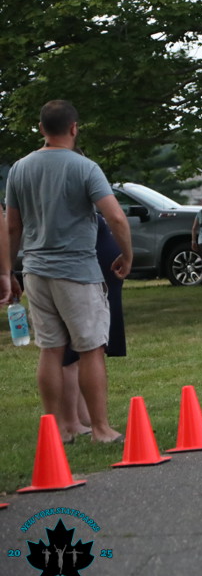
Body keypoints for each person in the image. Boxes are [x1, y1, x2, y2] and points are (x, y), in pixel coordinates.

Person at [5, 100, 131, 443]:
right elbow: (116, 217)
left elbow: (12, 226)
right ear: (74, 128)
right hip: (77, 270)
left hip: (35, 271)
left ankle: (56, 428)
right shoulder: (85, 167)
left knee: (50, 350)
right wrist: (127, 255)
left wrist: (8, 271)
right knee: (91, 349)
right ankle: (100, 428)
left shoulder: (19, 169)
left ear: (41, 128)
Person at [60, 213, 127, 442]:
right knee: (72, 350)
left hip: (95, 274)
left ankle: (83, 416)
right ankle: (71, 421)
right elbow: (116, 217)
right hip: (78, 274)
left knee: (83, 349)